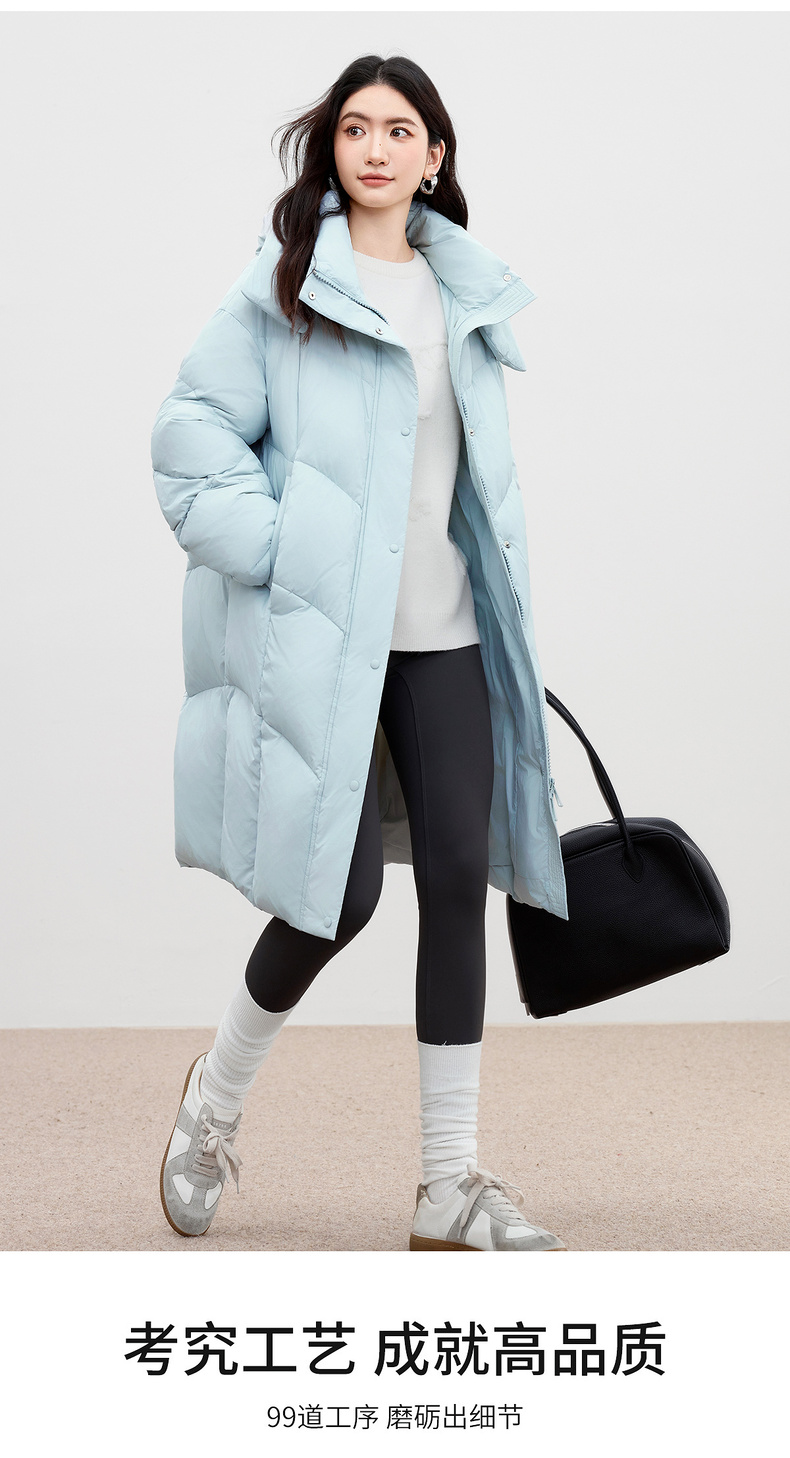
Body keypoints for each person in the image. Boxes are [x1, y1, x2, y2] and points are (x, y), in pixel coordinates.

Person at [151, 53, 569, 1252]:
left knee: (456, 883)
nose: (374, 148)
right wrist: (293, 552)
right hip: (327, 645)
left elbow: (462, 486)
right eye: (353, 128)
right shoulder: (284, 289)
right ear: (330, 151)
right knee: (333, 900)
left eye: (398, 130)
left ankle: (449, 1182)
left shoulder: (467, 295)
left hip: (449, 639)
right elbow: (188, 439)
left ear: (435, 155)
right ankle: (212, 1104)